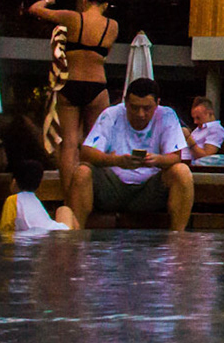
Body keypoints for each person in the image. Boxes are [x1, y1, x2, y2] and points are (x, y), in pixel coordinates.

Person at [67, 78, 194, 230]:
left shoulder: (167, 115)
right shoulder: (111, 114)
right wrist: (115, 160)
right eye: (134, 108)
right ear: (126, 102)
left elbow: (175, 157)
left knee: (182, 171)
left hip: (150, 190)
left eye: (147, 108)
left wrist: (157, 160)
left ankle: (178, 235)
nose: (140, 114)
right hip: (112, 187)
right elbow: (87, 152)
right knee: (82, 172)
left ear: (157, 104)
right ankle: (76, 233)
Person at [29, 0, 119, 185]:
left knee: (69, 143)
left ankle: (69, 193)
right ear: (106, 5)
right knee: (95, 142)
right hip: (97, 84)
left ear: (84, 1)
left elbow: (35, 10)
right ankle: (89, 190)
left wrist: (47, 0)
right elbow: (105, 54)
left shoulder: (72, 18)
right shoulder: (112, 26)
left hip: (71, 82)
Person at [0, 160, 74, 234]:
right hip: (52, 232)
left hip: (43, 235)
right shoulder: (35, 200)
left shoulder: (12, 200)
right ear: (39, 185)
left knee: (63, 210)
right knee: (64, 210)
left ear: (14, 182)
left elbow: (5, 228)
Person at [185, 97, 224, 167]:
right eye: (193, 118)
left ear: (210, 113)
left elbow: (207, 158)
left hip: (195, 168)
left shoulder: (216, 130)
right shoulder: (198, 129)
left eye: (198, 118)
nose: (195, 122)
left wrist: (190, 141)